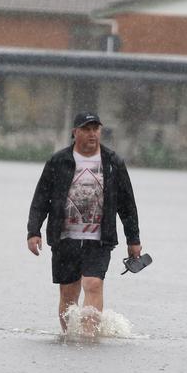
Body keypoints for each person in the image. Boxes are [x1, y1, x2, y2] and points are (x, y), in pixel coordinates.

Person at [27, 112, 142, 335]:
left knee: (93, 283)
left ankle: (88, 338)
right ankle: (70, 336)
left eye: (95, 129)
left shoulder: (112, 162)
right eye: (86, 129)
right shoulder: (59, 161)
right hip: (65, 237)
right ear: (75, 132)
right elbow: (41, 197)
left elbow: (127, 203)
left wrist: (133, 239)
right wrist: (34, 231)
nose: (92, 134)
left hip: (99, 239)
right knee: (68, 294)